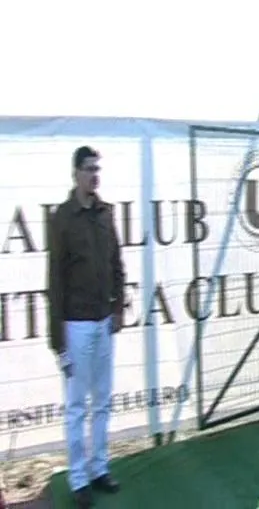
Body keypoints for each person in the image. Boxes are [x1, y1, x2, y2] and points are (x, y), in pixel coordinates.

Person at [48, 146, 125, 509]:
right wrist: (57, 338)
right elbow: (55, 278)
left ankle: (99, 468)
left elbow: (117, 263)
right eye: (89, 169)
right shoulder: (63, 218)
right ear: (75, 173)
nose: (95, 175)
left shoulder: (105, 213)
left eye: (98, 169)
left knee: (103, 400)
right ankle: (78, 478)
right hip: (76, 324)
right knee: (77, 405)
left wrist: (118, 307)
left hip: (103, 320)